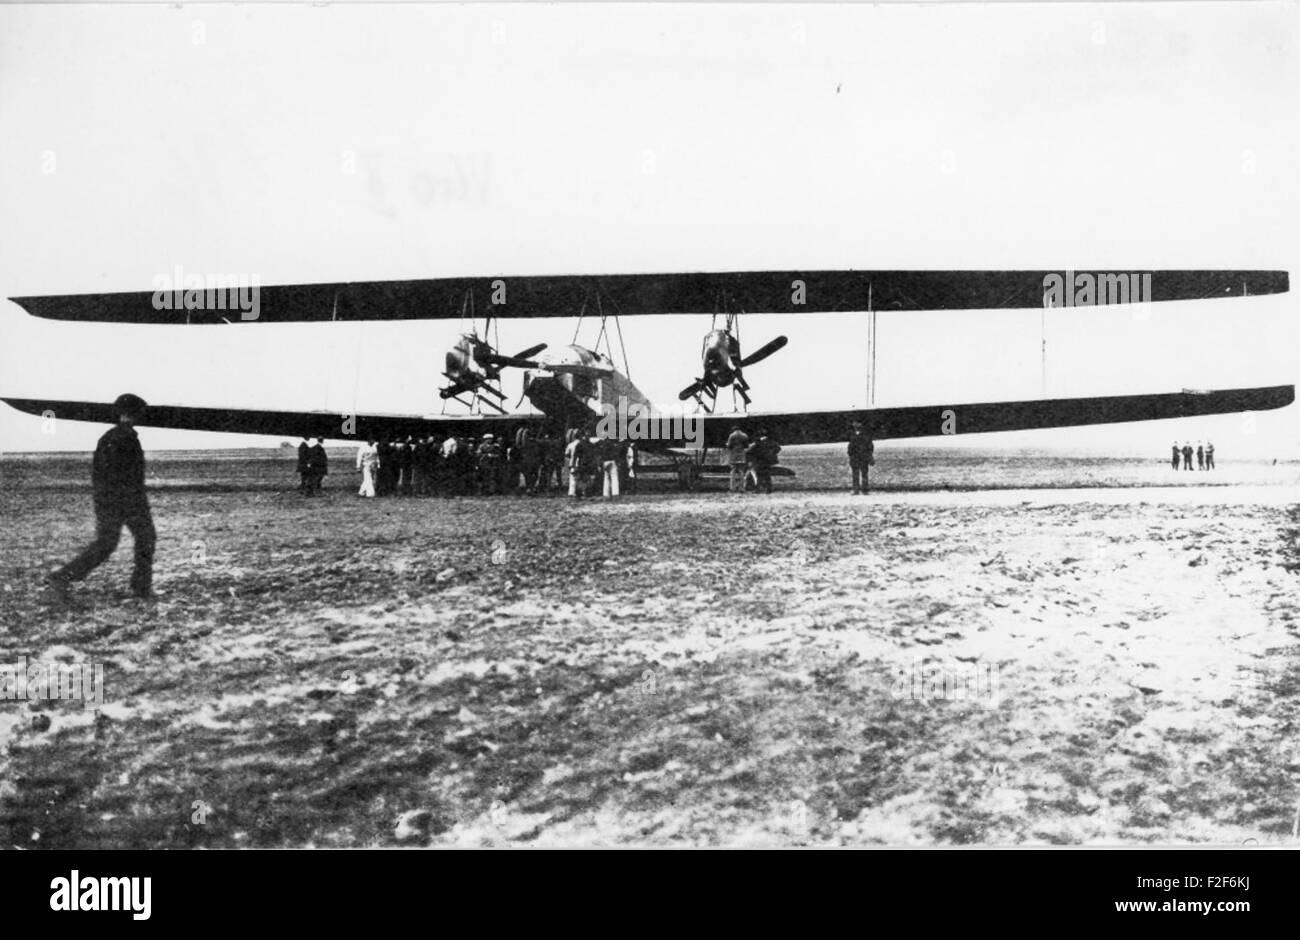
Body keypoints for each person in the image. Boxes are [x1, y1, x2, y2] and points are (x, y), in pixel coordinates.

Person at [48, 393, 157, 601]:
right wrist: (132, 501)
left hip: (111, 500)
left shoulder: (112, 436)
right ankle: (140, 587)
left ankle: (63, 577)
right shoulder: (124, 438)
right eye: (140, 411)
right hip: (125, 501)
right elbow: (124, 474)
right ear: (133, 413)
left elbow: (102, 473)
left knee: (111, 543)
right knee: (140, 540)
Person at [745, 428, 781, 494]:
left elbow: (749, 451)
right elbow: (778, 448)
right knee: (767, 475)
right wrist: (771, 453)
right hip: (768, 461)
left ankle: (758, 489)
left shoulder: (757, 443)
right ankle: (768, 489)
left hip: (759, 461)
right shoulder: (772, 442)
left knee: (759, 475)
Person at [847, 421, 874, 494]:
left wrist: (869, 456)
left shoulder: (865, 435)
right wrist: (851, 455)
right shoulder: (852, 435)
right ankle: (856, 490)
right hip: (855, 458)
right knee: (856, 474)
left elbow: (870, 446)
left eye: (857, 423)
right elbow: (850, 447)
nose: (855, 425)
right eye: (854, 423)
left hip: (863, 457)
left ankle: (865, 490)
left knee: (864, 474)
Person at [725, 425, 750, 494]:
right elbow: (746, 446)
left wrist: (727, 445)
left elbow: (729, 446)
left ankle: (732, 488)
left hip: (733, 455)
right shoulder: (745, 435)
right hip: (741, 455)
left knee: (733, 472)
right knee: (741, 472)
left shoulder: (731, 436)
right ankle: (741, 488)